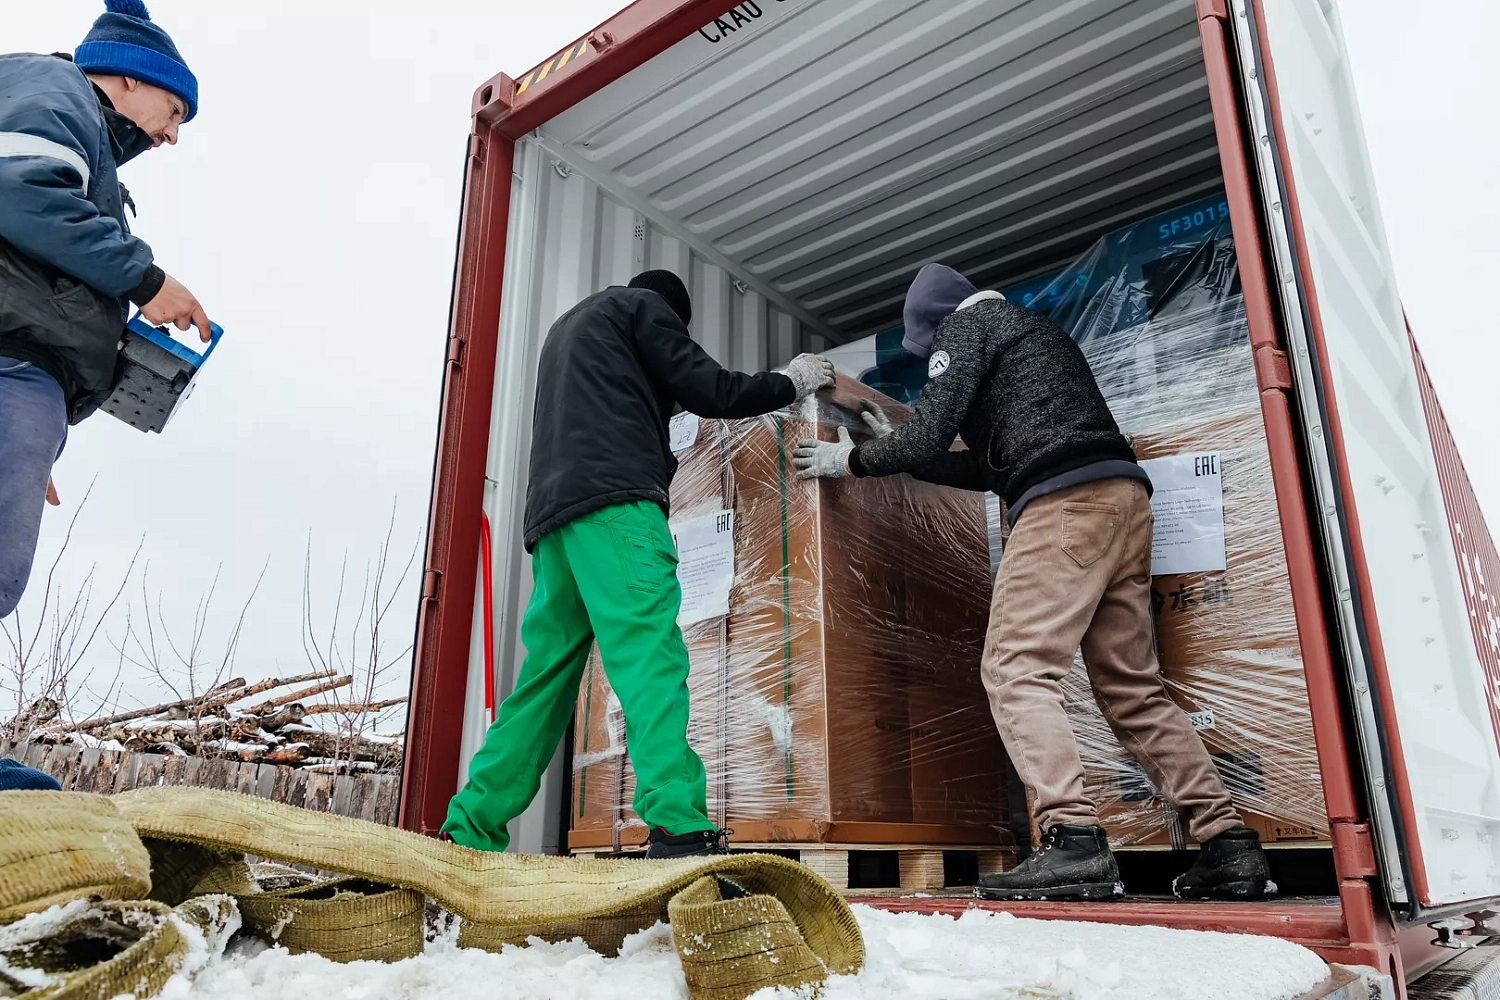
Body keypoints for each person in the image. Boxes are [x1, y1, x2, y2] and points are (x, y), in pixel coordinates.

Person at [791, 263, 1274, 901]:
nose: (932, 358)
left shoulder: (968, 326)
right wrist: (905, 450)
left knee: (1017, 668)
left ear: (936, 325)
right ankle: (1228, 845)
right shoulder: (1032, 335)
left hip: (1066, 506)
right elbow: (995, 468)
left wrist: (851, 458)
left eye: (927, 349)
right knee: (1132, 689)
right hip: (1120, 503)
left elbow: (935, 429)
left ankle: (1072, 840)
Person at [444, 270, 836, 859]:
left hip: (554, 525)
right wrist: (789, 381)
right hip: (617, 511)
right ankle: (678, 823)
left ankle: (470, 828)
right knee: (651, 657)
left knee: (544, 681)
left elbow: (613, 408)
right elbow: (716, 390)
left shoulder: (567, 333)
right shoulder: (644, 310)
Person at [0, 0, 211, 620]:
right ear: (129, 77)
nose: (172, 134)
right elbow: (19, 185)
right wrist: (146, 283)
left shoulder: (61, 114)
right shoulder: (57, 88)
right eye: (174, 111)